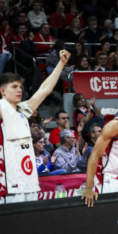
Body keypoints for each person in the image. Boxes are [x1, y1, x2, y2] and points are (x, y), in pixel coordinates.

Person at [0, 50, 70, 204]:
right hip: (10, 183)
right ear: (2, 91)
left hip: (29, 180)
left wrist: (61, 64)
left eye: (20, 86)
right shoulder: (1, 107)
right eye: (14, 87)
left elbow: (45, 90)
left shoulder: (23, 109)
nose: (20, 90)